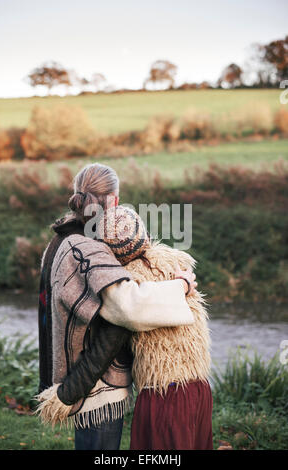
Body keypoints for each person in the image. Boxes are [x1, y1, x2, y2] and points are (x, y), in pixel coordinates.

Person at [36, 163, 197, 450]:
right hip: (96, 388)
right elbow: (128, 308)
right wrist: (181, 286)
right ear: (114, 201)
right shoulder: (85, 248)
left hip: (79, 379)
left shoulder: (61, 238)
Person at [96, 206, 212, 450]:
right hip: (199, 387)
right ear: (144, 235)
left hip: (163, 393)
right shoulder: (174, 264)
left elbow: (125, 313)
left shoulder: (123, 285)